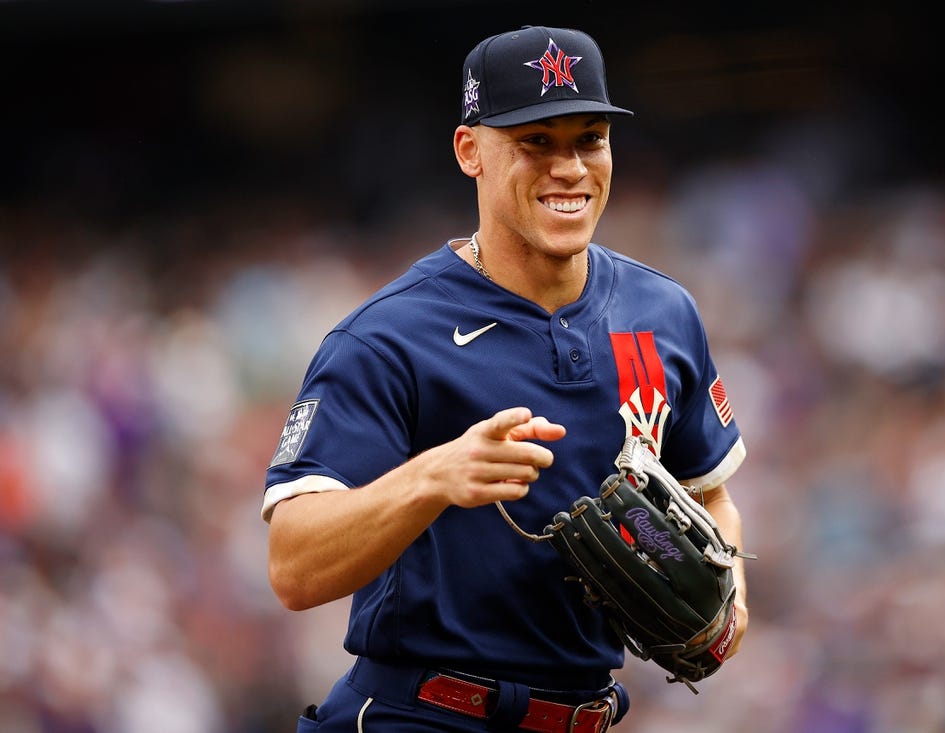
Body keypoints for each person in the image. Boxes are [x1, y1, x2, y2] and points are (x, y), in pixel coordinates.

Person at [264, 25, 750, 732]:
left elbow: (713, 496)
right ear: (471, 152)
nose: (571, 168)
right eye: (536, 142)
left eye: (589, 138)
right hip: (422, 715)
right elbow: (293, 566)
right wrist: (432, 476)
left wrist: (731, 598)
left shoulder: (661, 312)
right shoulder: (388, 335)